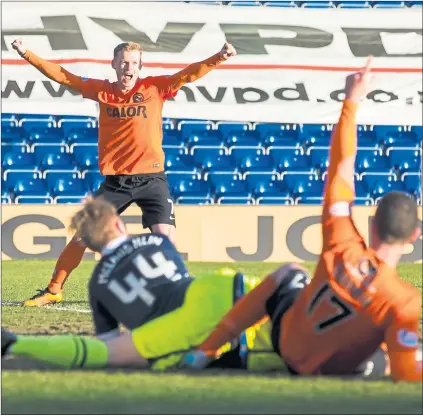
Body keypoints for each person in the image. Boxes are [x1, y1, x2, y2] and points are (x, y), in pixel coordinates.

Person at [181, 58, 423, 382]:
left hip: (287, 341)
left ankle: (205, 350)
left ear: (372, 224)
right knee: (402, 352)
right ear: (413, 237)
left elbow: (342, 167)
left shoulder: (342, 240)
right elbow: (407, 375)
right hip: (331, 371)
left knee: (289, 273)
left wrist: (351, 102)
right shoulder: (404, 300)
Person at [10, 38, 237, 306]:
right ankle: (53, 290)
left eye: (133, 62)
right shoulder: (102, 90)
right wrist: (27, 53)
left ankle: (175, 294)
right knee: (82, 236)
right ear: (114, 64)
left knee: (165, 237)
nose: (128, 67)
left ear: (140, 66)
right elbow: (63, 77)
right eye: (124, 62)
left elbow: (188, 74)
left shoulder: (155, 87)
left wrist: (218, 57)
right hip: (116, 182)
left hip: (152, 179)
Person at [2, 197, 288, 372]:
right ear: (119, 225)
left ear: (88, 244)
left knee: (108, 353)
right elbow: (175, 274)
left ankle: (15, 343)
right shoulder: (158, 241)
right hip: (216, 287)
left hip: (171, 329)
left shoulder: (98, 283)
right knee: (286, 308)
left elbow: (108, 338)